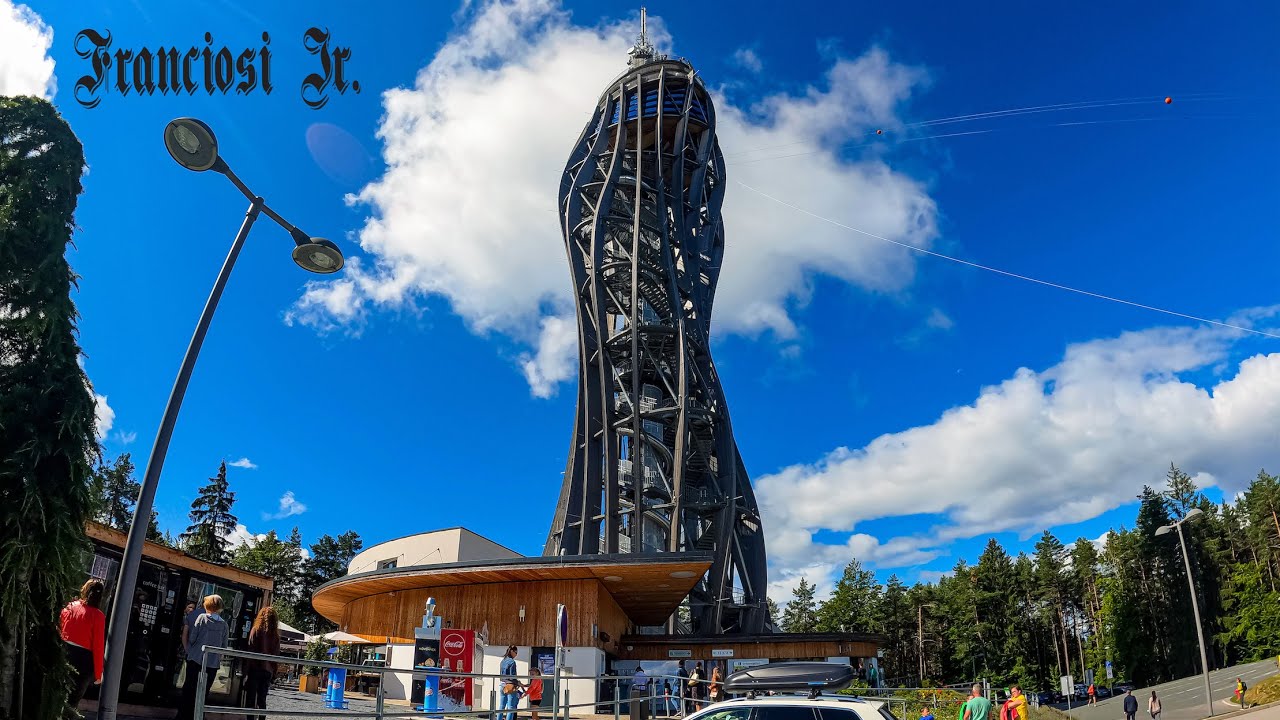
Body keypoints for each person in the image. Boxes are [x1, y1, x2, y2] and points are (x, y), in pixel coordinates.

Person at [177, 595, 229, 720]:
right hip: (212, 664)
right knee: (203, 692)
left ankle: (183, 716)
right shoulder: (224, 625)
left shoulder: (201, 618)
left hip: (195, 658)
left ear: (207, 605)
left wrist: (189, 650)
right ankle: (198, 716)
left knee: (189, 689)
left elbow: (193, 638)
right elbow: (224, 646)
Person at [61, 579, 107, 708]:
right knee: (72, 702)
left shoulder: (71, 606)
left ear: (85, 590)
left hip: (64, 653)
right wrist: (98, 674)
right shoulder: (99, 616)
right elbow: (98, 647)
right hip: (84, 662)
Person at [244, 606, 280, 720]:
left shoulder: (256, 630)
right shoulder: (275, 636)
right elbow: (276, 656)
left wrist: (245, 671)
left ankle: (250, 719)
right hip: (267, 670)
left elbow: (251, 650)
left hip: (255, 668)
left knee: (250, 699)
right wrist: (274, 673)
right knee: (262, 699)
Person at [499, 646, 523, 720]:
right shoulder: (512, 662)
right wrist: (518, 683)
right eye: (516, 652)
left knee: (501, 706)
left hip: (502, 684)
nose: (516, 654)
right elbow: (512, 676)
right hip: (510, 686)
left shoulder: (503, 661)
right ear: (512, 651)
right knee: (511, 707)